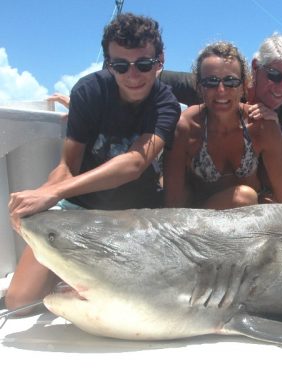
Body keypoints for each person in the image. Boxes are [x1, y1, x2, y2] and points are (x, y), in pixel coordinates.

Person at [6, 13, 181, 313]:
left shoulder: (165, 103)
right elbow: (66, 166)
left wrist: (55, 192)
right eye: (121, 66)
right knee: (19, 302)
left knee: (136, 305)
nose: (133, 75)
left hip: (135, 218)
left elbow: (135, 164)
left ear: (159, 61)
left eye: (143, 64)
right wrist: (40, 200)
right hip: (79, 209)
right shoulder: (89, 91)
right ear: (109, 64)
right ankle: (67, 278)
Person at [163, 41, 282, 209]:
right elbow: (173, 202)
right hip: (199, 222)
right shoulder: (184, 128)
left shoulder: (263, 126)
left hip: (250, 218)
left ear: (244, 86)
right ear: (199, 87)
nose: (221, 90)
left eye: (231, 81)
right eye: (211, 82)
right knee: (243, 197)